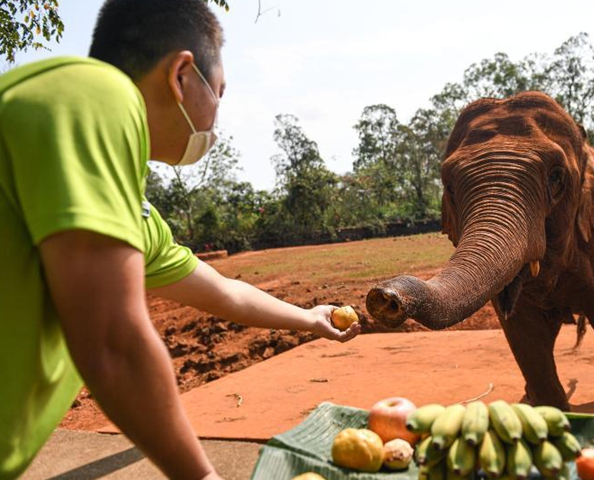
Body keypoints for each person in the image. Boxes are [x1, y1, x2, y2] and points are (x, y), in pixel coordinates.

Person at [0, 0, 360, 478]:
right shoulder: (96, 93)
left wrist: (309, 319)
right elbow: (112, 342)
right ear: (181, 75)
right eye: (221, 92)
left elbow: (222, 291)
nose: (217, 116)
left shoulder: (130, 211)